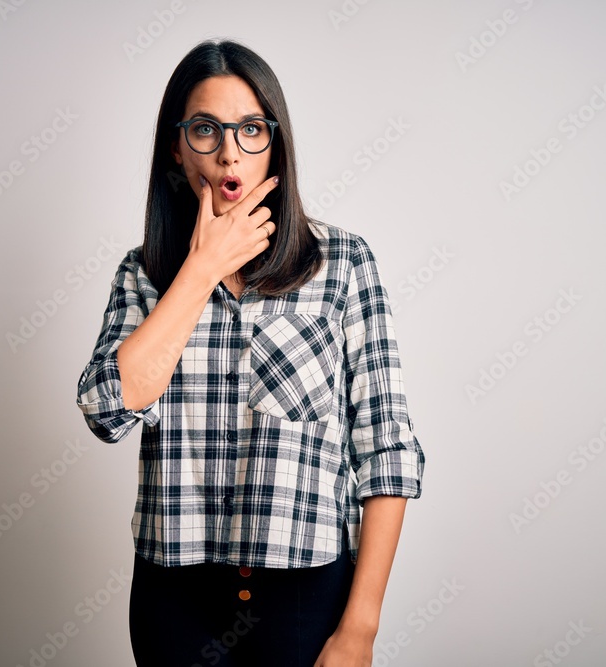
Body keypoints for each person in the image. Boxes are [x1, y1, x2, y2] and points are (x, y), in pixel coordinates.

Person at [75, 38, 425, 667]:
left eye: (251, 129)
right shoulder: (144, 274)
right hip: (173, 601)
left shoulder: (343, 264)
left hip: (304, 598)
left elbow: (388, 452)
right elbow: (108, 410)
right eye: (206, 129)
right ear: (176, 149)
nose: (230, 150)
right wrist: (202, 267)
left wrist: (360, 628)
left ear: (276, 145)